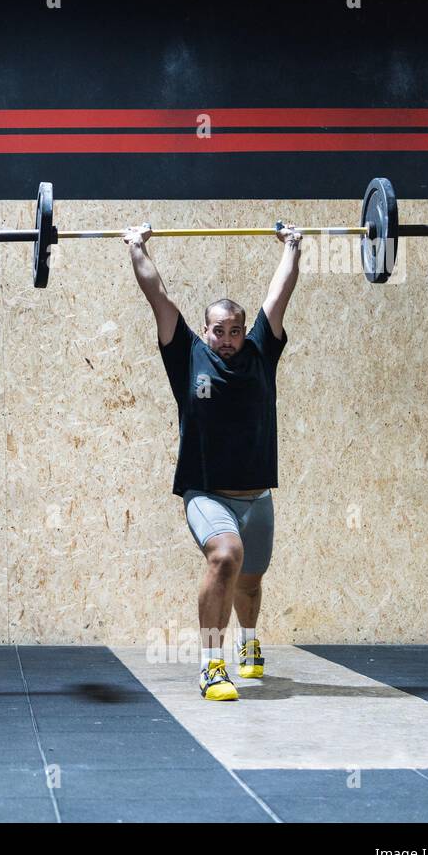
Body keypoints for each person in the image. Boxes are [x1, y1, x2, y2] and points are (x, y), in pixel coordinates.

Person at [124, 224, 300, 700]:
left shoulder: (262, 351)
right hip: (206, 492)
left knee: (250, 582)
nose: (227, 340)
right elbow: (157, 295)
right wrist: (137, 247)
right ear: (205, 331)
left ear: (246, 331)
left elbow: (279, 292)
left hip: (257, 497)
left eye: (235, 332)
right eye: (219, 332)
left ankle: (248, 641)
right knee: (225, 556)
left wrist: (294, 247)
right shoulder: (187, 355)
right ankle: (210, 666)